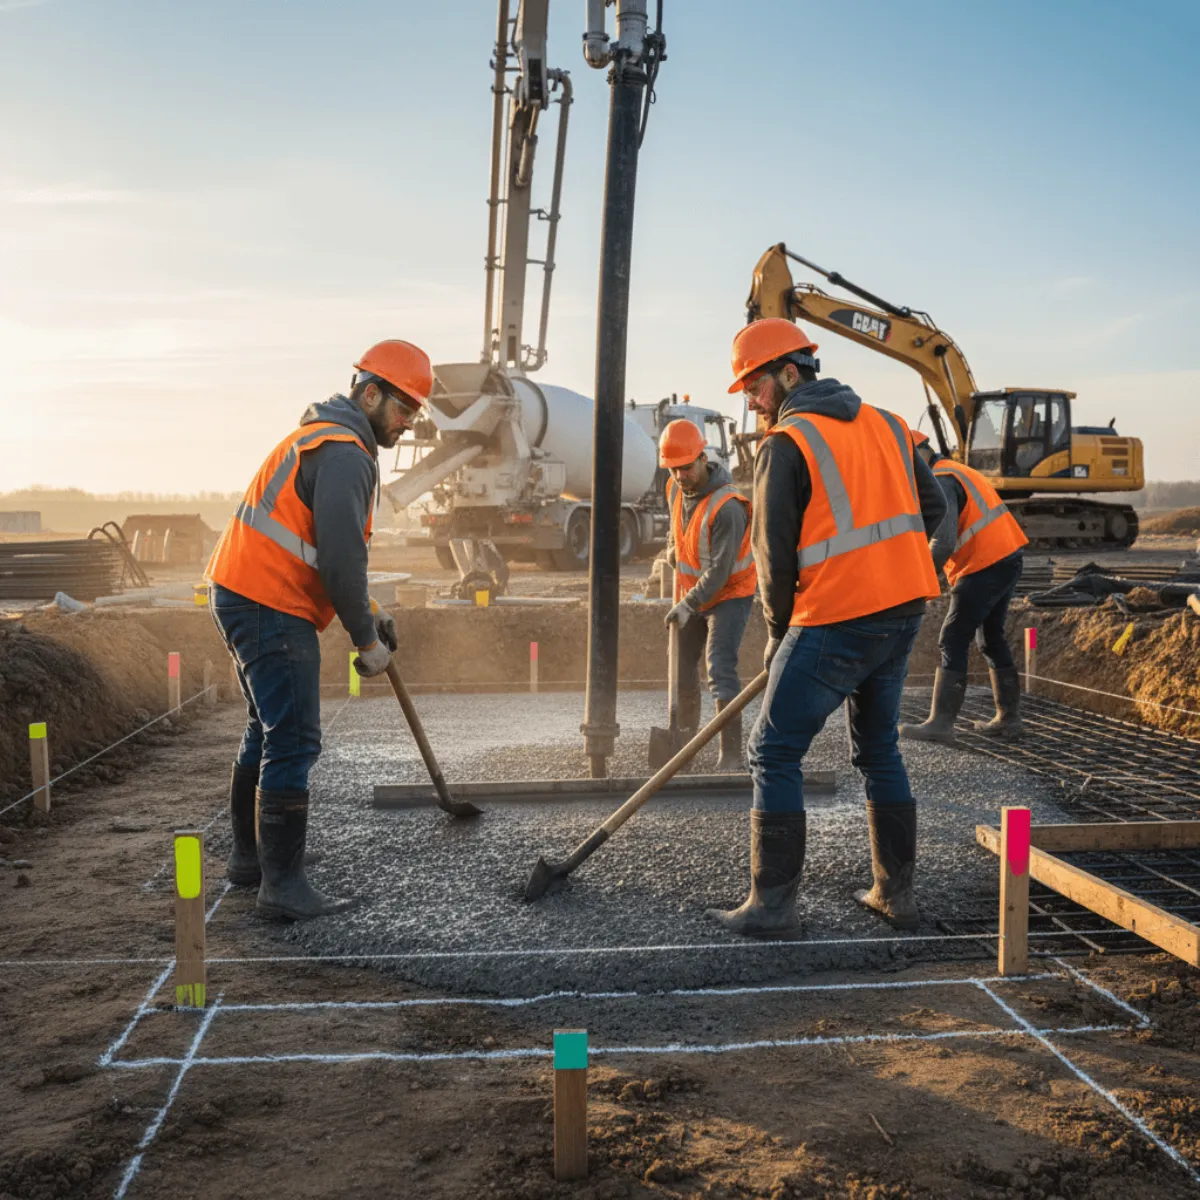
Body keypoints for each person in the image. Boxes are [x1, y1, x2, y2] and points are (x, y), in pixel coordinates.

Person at [707, 318, 946, 938]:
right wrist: (897, 565)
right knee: (879, 749)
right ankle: (897, 896)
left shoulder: (787, 442)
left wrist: (780, 633)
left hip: (836, 616)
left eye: (754, 387)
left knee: (773, 750)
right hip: (901, 613)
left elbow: (773, 557)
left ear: (791, 373)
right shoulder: (891, 425)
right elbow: (936, 507)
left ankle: (773, 906)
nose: (752, 401)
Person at [205, 340, 433, 920]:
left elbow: (323, 551)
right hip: (268, 601)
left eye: (415, 414)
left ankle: (250, 863)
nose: (408, 424)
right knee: (295, 738)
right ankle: (282, 888)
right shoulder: (345, 453)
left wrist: (367, 606)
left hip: (243, 589)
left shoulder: (320, 436)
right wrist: (366, 642)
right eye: (404, 409)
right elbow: (336, 561)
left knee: (267, 726)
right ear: (371, 392)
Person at [899, 431, 1028, 744]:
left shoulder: (942, 480)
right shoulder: (957, 470)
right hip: (1006, 557)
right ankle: (1009, 719)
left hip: (983, 564)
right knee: (990, 637)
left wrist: (918, 584)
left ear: (918, 456)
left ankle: (941, 724)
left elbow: (941, 544)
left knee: (952, 637)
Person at [659, 419, 757, 770]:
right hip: (692, 595)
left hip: (729, 594)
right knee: (682, 668)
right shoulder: (675, 490)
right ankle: (684, 748)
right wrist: (672, 550)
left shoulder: (728, 507)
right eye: (673, 470)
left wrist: (688, 604)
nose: (680, 476)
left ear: (702, 458)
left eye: (686, 468)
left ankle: (730, 755)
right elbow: (676, 531)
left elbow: (720, 570)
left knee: (719, 668)